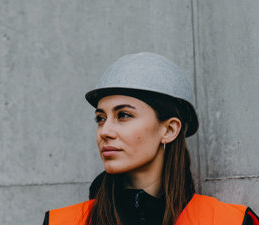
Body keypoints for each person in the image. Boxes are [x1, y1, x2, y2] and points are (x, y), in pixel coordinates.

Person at [43, 52, 259, 225]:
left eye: (124, 115)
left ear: (169, 130)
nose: (104, 131)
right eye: (100, 118)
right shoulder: (61, 222)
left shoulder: (231, 221)